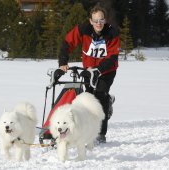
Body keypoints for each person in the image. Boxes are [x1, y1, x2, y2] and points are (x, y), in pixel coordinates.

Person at [58, 4, 120, 143]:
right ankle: (88, 130)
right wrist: (63, 61)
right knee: (88, 98)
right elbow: (67, 43)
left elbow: (112, 57)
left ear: (105, 20)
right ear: (90, 21)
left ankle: (100, 134)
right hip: (89, 70)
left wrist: (99, 70)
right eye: (96, 20)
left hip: (107, 70)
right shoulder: (83, 29)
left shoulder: (112, 33)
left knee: (100, 96)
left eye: (101, 20)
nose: (99, 23)